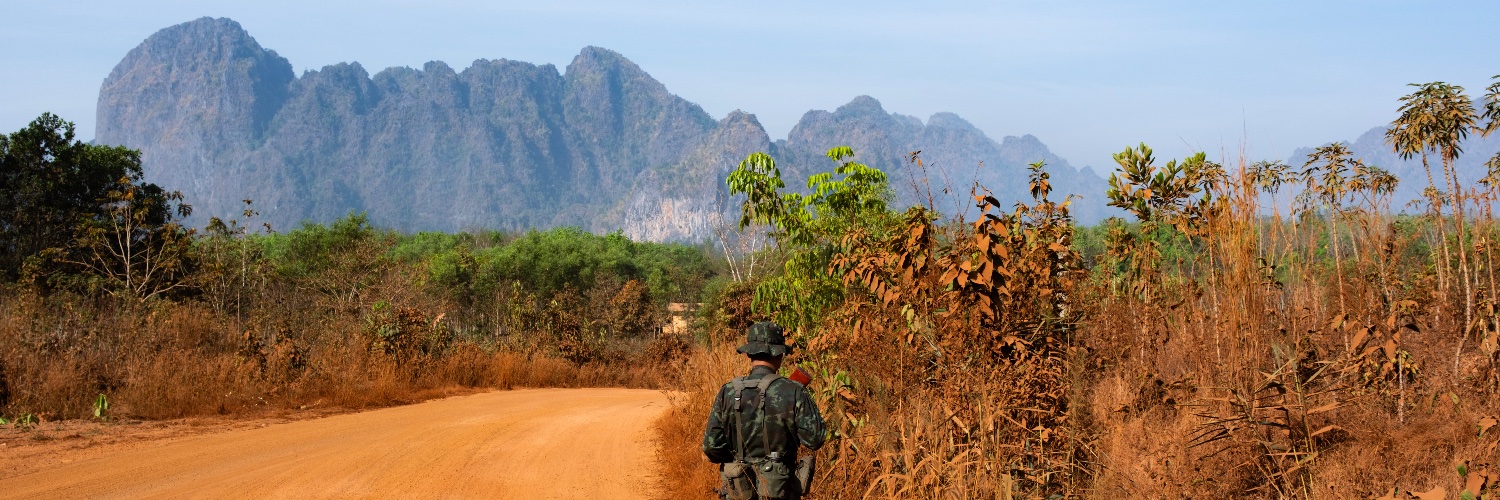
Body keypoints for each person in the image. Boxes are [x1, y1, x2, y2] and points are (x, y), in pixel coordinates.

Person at [703, 321, 826, 500]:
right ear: (779, 354)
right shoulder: (793, 390)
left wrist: (740, 460)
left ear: (749, 353)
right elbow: (815, 439)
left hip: (739, 490)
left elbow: (711, 447)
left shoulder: (727, 391)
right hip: (780, 491)